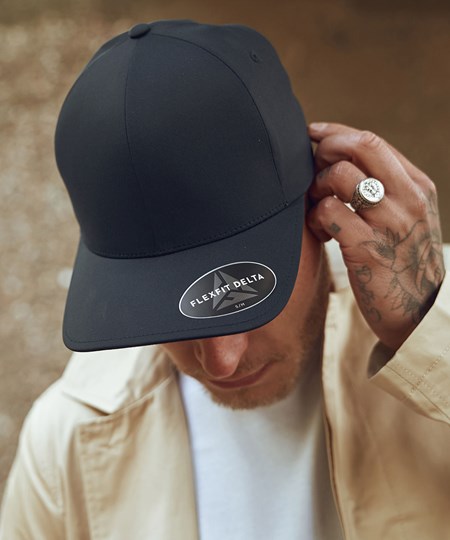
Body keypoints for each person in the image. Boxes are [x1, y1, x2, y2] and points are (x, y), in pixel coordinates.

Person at [1, 19, 449, 540]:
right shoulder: (65, 444)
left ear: (318, 208)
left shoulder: (434, 325)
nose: (221, 362)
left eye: (246, 294)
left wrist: (428, 333)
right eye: (164, 311)